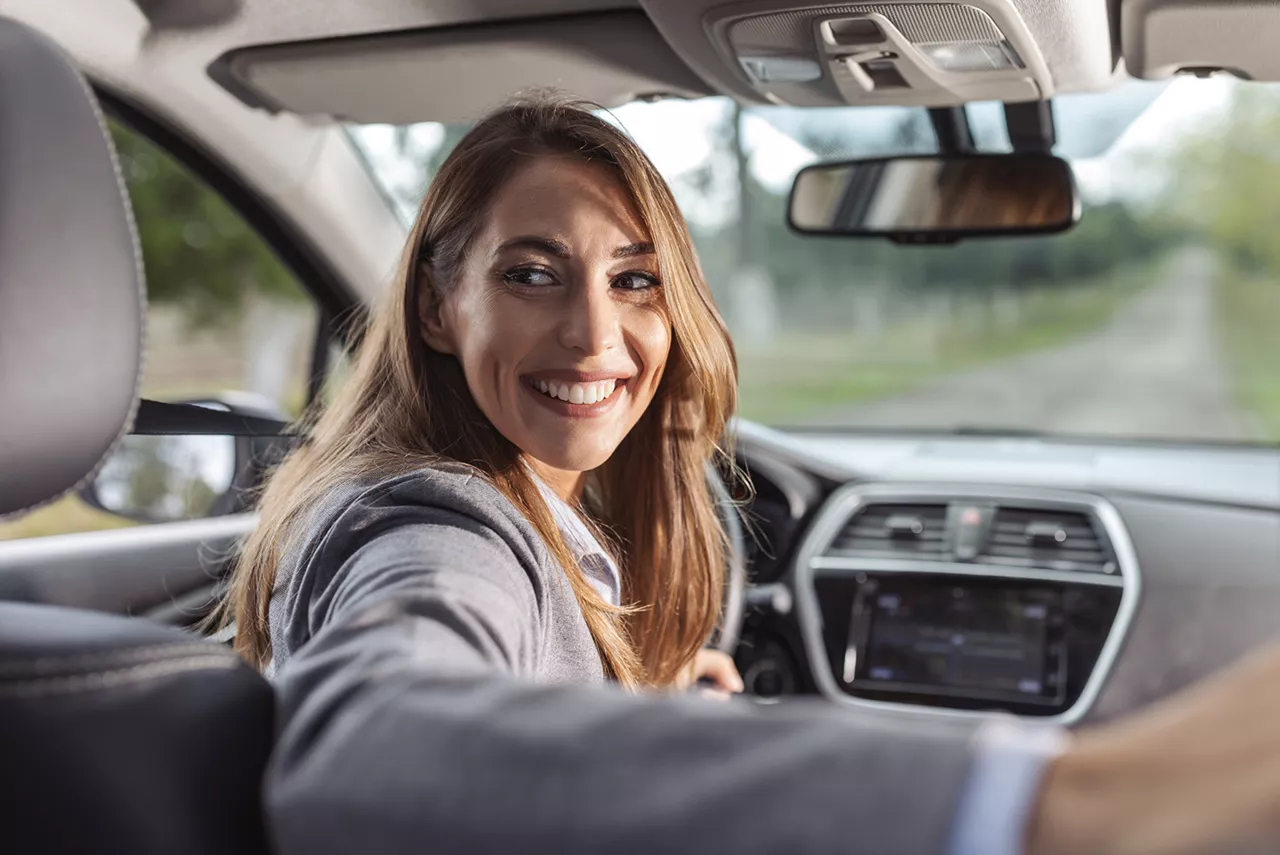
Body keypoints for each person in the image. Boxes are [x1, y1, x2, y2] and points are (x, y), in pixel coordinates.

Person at [218, 96, 1280, 854]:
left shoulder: (519, 508)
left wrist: (639, 712)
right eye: (532, 275)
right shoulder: (429, 518)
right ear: (439, 310)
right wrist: (1073, 803)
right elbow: (373, 746)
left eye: (636, 280)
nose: (595, 334)